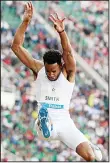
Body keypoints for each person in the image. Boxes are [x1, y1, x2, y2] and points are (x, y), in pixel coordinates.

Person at [11, 2, 102, 162]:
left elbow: (67, 52)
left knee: (91, 157)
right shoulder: (38, 69)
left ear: (61, 66)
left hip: (65, 123)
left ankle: (90, 145)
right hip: (43, 122)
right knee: (47, 130)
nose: (51, 74)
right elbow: (16, 47)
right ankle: (45, 121)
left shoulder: (69, 72)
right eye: (48, 71)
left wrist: (62, 33)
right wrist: (25, 22)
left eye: (54, 71)